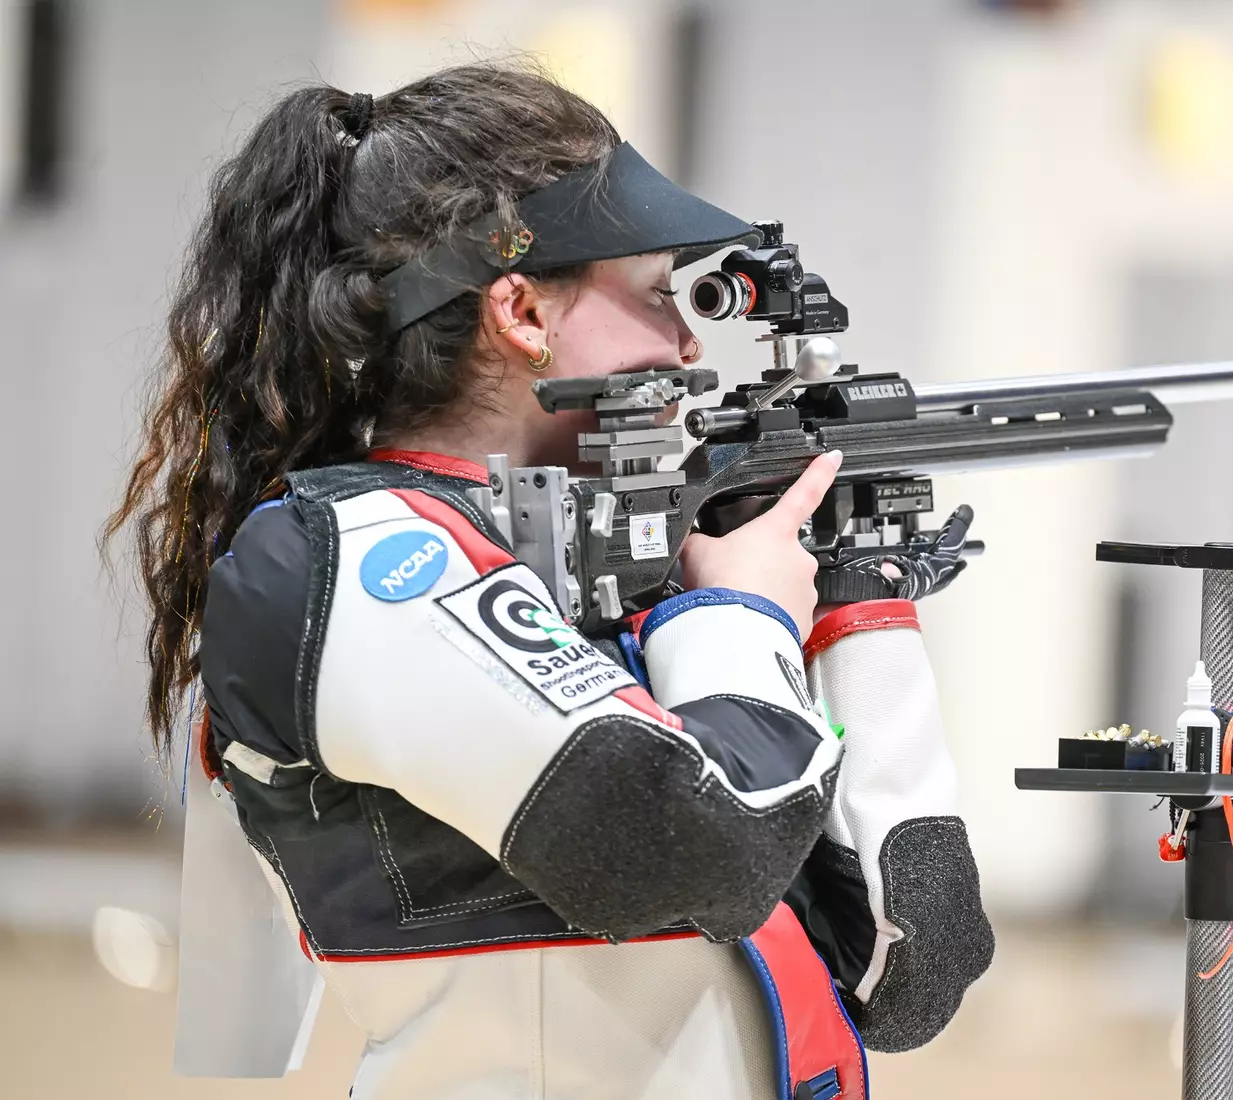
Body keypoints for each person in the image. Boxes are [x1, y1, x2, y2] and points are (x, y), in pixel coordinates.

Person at [106, 63, 992, 1100]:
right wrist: (738, 611)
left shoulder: (607, 570)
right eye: (660, 292)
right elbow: (693, 848)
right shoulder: (360, 555)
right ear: (521, 309)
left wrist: (863, 601)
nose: (690, 342)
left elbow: (914, 969)